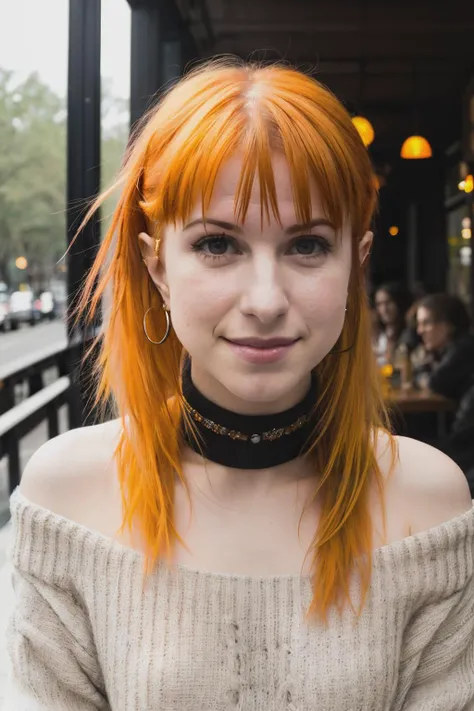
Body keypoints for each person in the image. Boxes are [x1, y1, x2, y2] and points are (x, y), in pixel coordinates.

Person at [4, 60, 473, 710]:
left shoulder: (431, 503)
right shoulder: (67, 495)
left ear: (354, 265)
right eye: (218, 244)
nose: (264, 298)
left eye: (306, 245)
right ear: (157, 265)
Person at [414, 293, 474, 488]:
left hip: (466, 443)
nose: (420, 330)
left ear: (449, 324)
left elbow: (435, 381)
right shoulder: (453, 349)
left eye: (427, 323)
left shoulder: (464, 348)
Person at [372, 282, 417, 365]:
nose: (384, 309)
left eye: (388, 302)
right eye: (379, 304)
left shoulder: (409, 334)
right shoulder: (377, 335)